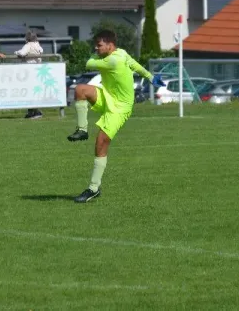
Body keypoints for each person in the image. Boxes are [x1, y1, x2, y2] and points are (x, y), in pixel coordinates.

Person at [67, 29, 165, 203]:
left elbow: (89, 63)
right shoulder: (122, 53)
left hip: (120, 108)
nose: (96, 48)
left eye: (99, 45)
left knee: (100, 144)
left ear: (110, 45)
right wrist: (150, 76)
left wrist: (95, 57)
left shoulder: (112, 60)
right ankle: (82, 129)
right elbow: (135, 65)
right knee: (81, 89)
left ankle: (93, 188)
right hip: (107, 96)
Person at [15, 31, 44, 119]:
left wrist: (16, 53)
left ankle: (36, 112)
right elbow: (41, 51)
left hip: (29, 72)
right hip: (37, 71)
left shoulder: (28, 45)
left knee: (31, 92)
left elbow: (22, 53)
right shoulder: (37, 45)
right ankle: (32, 111)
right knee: (34, 92)